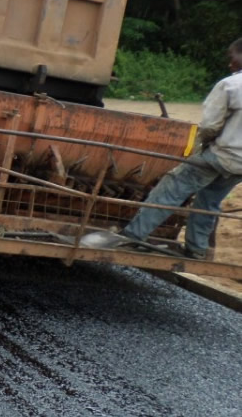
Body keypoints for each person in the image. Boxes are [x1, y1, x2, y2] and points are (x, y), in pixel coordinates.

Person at [83, 37, 242, 259]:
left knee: (171, 189)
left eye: (232, 56)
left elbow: (210, 126)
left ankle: (133, 237)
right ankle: (196, 250)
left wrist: (203, 147)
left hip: (218, 155)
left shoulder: (231, 85)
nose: (230, 62)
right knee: (209, 201)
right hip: (239, 165)